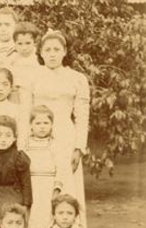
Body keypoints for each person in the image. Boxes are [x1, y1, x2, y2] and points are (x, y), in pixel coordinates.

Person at [30, 29, 90, 228]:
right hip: (38, 135)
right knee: (41, 184)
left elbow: (82, 115)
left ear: (65, 51)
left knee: (68, 184)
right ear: (41, 53)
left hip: (66, 134)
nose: (52, 53)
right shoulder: (33, 76)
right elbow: (25, 113)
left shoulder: (77, 78)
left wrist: (79, 147)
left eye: (57, 49)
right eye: (47, 50)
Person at [24, 105, 70, 228]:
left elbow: (61, 167)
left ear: (51, 125)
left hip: (48, 186)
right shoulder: (25, 145)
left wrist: (56, 189)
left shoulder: (55, 145)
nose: (42, 126)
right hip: (30, 185)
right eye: (38, 123)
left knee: (47, 214)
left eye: (46, 123)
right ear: (31, 125)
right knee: (31, 215)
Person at [9, 22, 41, 105]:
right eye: (19, 44)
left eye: (28, 43)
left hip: (34, 93)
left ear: (34, 42)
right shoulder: (12, 59)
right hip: (17, 94)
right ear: (14, 43)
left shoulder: (38, 59)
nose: (24, 48)